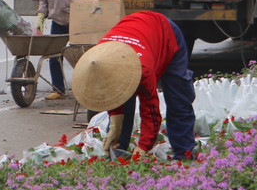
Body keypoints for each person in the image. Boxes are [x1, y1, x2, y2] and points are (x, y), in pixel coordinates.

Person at [72, 10, 196, 161]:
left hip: (166, 33)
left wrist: (143, 146)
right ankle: (118, 154)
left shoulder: (143, 70)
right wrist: (115, 123)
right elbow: (113, 92)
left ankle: (184, 156)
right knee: (123, 102)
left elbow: (151, 111)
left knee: (178, 100)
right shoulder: (99, 56)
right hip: (136, 31)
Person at [34, 0, 95, 100]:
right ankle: (58, 88)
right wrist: (41, 16)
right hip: (58, 23)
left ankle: (88, 88)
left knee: (83, 58)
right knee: (54, 56)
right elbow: (42, 0)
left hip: (77, 24)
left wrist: (83, 17)